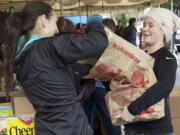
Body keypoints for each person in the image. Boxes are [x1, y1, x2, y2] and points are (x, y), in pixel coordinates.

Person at [3, 1, 108, 135]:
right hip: (71, 126)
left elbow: (53, 78)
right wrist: (95, 22)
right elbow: (98, 43)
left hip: (45, 127)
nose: (57, 30)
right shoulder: (47, 47)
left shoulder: (20, 57)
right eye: (55, 22)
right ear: (43, 20)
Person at [111, 8, 179, 135]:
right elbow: (126, 80)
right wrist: (115, 85)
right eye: (144, 24)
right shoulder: (138, 56)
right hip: (132, 127)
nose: (144, 28)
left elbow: (164, 86)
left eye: (150, 25)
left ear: (163, 31)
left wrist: (132, 110)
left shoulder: (167, 58)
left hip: (156, 130)